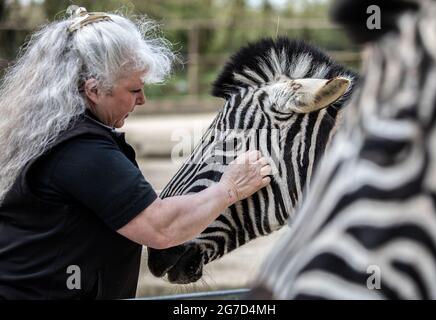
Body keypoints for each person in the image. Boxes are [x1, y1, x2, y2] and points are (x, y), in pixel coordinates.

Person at [0, 6, 272, 299]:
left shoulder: (50, 132)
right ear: (93, 90)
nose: (142, 99)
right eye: (133, 90)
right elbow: (161, 227)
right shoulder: (80, 150)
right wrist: (229, 188)